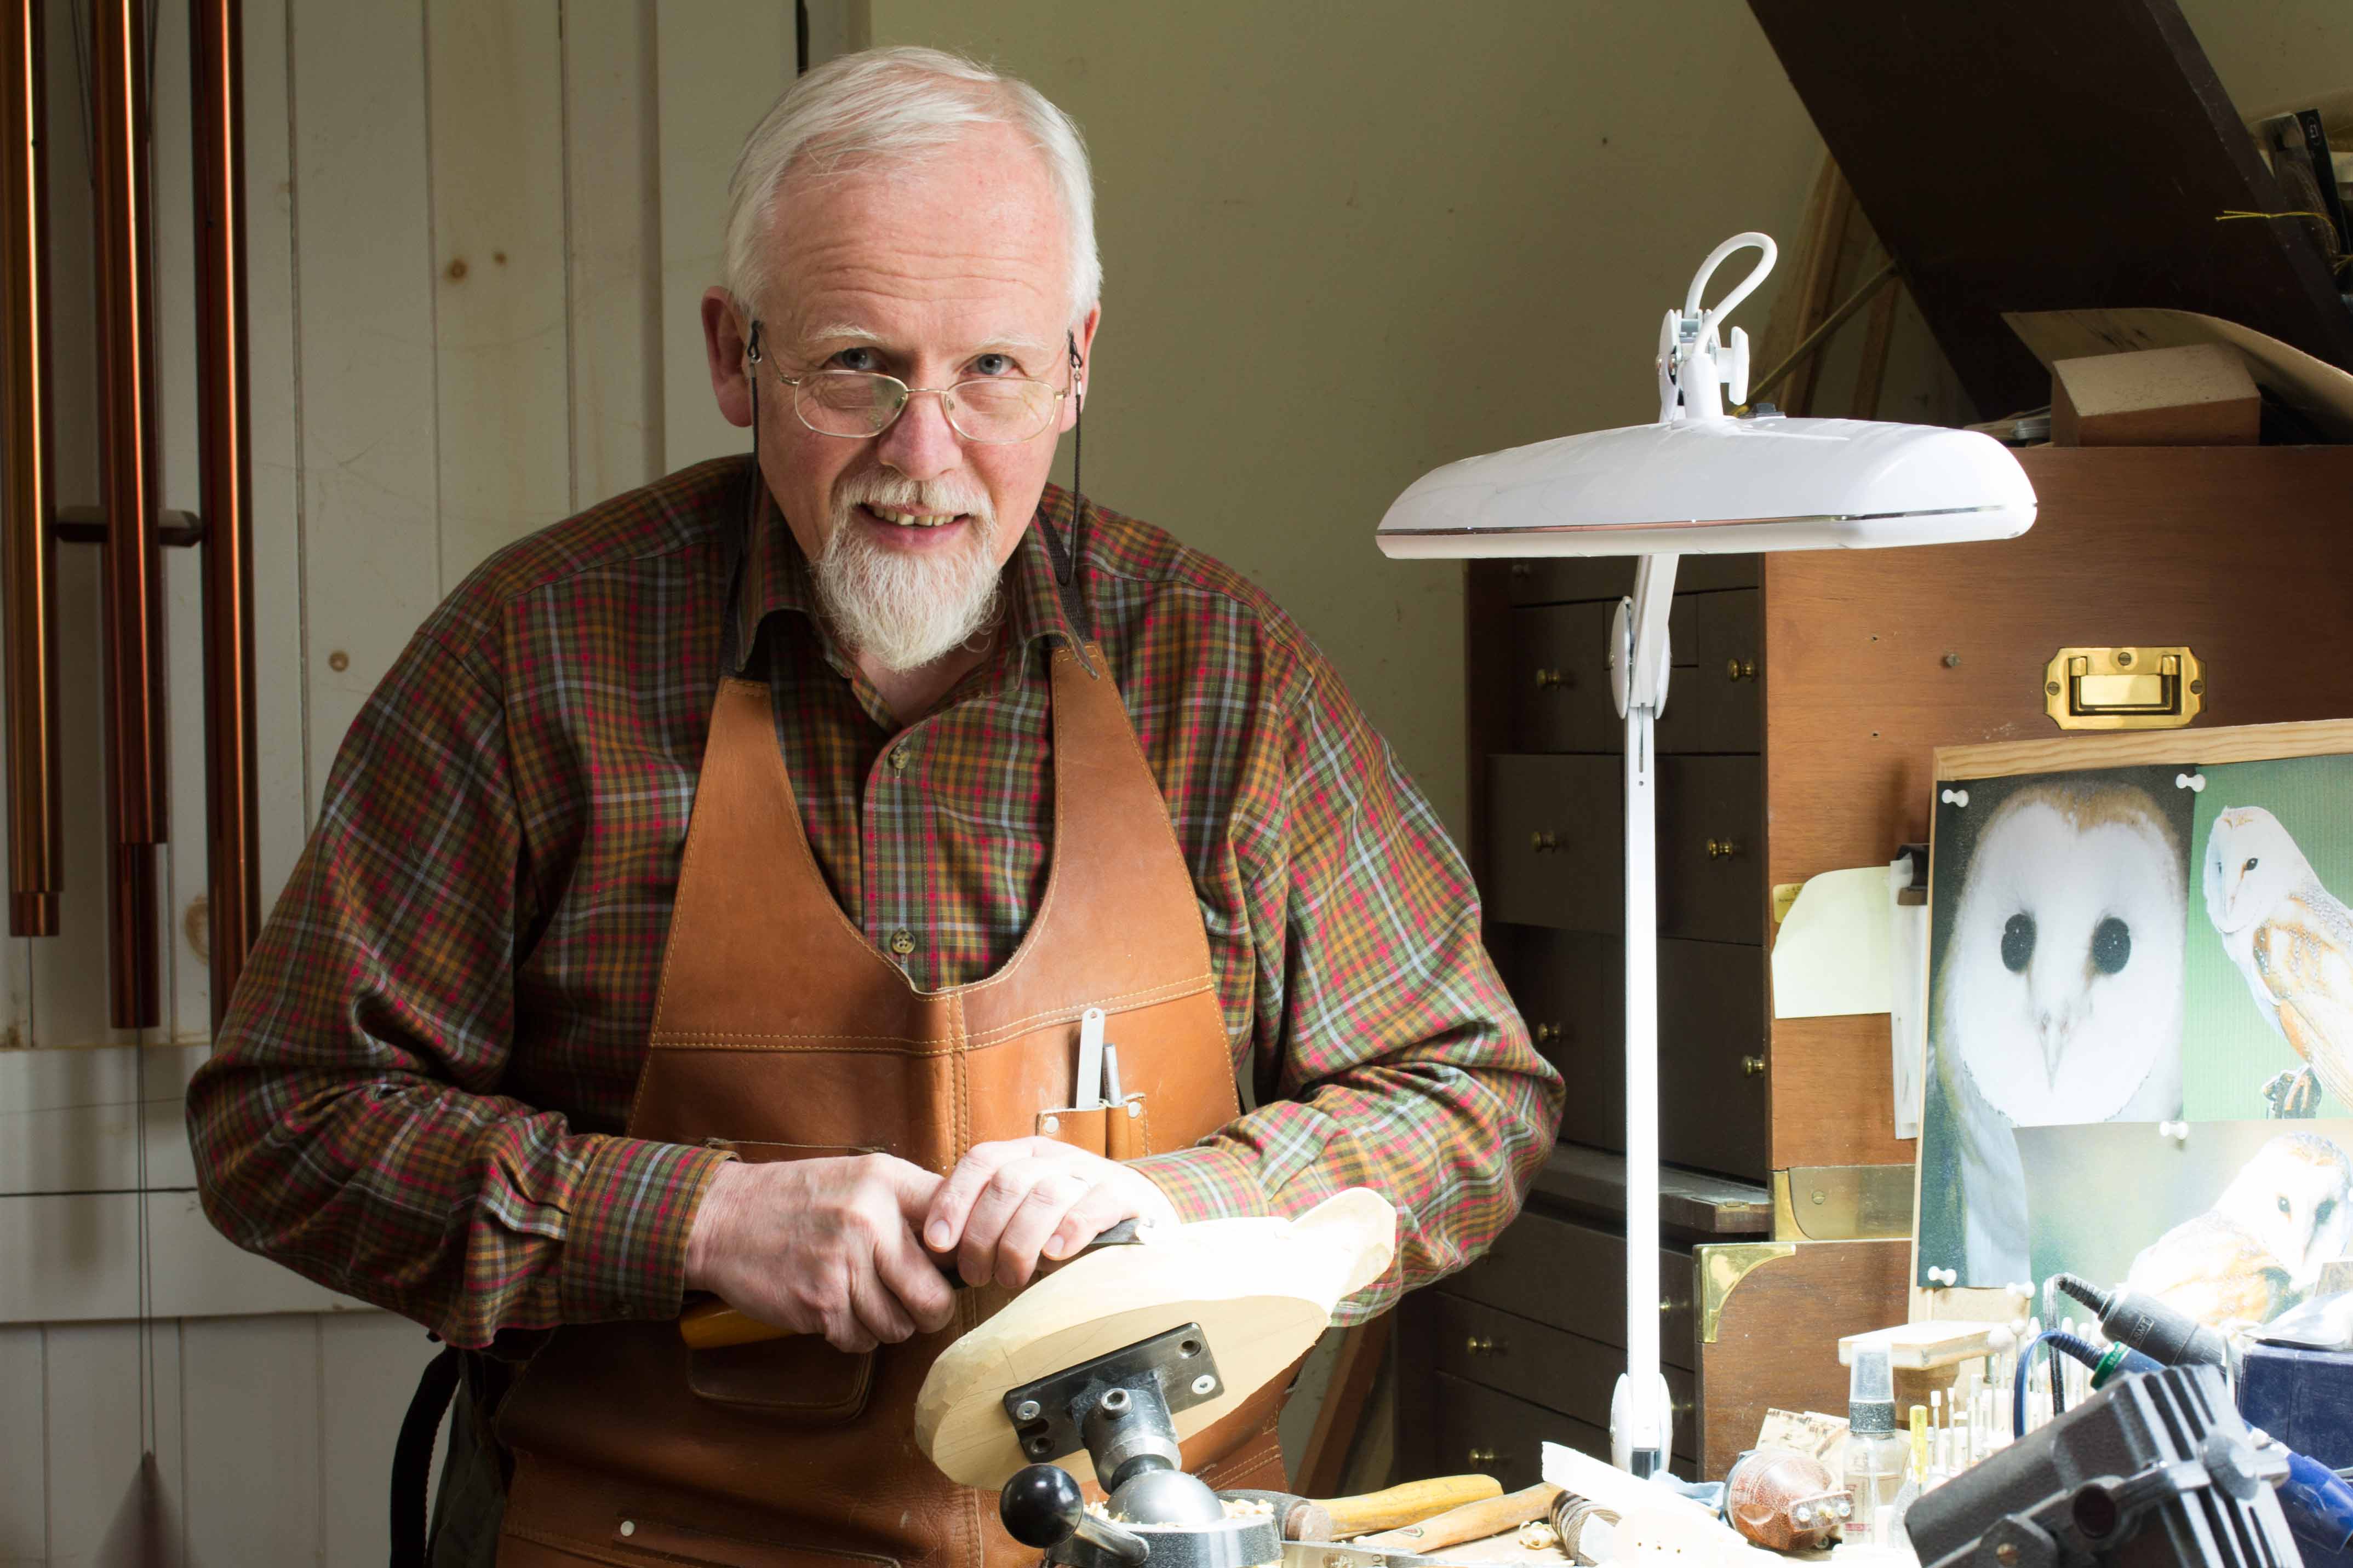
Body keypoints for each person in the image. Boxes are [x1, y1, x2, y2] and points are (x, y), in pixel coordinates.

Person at [187, 44, 1561, 1568]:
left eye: (992, 370)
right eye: (858, 366)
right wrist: (696, 1222)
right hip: (655, 1539)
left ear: (1079, 359)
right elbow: (286, 1125)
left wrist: (1178, 1206)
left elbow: (1469, 1097)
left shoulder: (1222, 676)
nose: (926, 455)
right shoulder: (534, 660)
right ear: (733, 353)